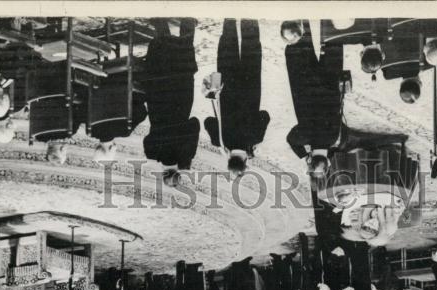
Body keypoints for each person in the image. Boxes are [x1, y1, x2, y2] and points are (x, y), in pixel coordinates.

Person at [205, 19, 270, 175]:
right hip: (227, 88)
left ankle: (250, 16)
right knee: (228, 45)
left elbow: (265, 115)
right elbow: (208, 121)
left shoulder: (255, 138)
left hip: (250, 89)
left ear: (245, 160)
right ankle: (229, 16)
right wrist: (222, 147)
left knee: (252, 47)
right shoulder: (219, 140)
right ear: (229, 159)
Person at [284, 20, 345, 177]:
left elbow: (345, 131)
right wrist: (304, 155)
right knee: (302, 37)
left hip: (330, 84)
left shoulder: (334, 139)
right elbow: (290, 139)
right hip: (306, 82)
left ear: (328, 161)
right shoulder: (303, 137)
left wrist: (329, 154)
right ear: (310, 158)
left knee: (333, 40)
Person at [141, 19, 200, 175]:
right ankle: (160, 25)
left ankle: (187, 25)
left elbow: (194, 124)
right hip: (157, 102)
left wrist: (186, 159)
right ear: (163, 172)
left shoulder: (186, 153)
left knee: (183, 60)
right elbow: (147, 139)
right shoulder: (152, 153)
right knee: (162, 63)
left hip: (181, 100)